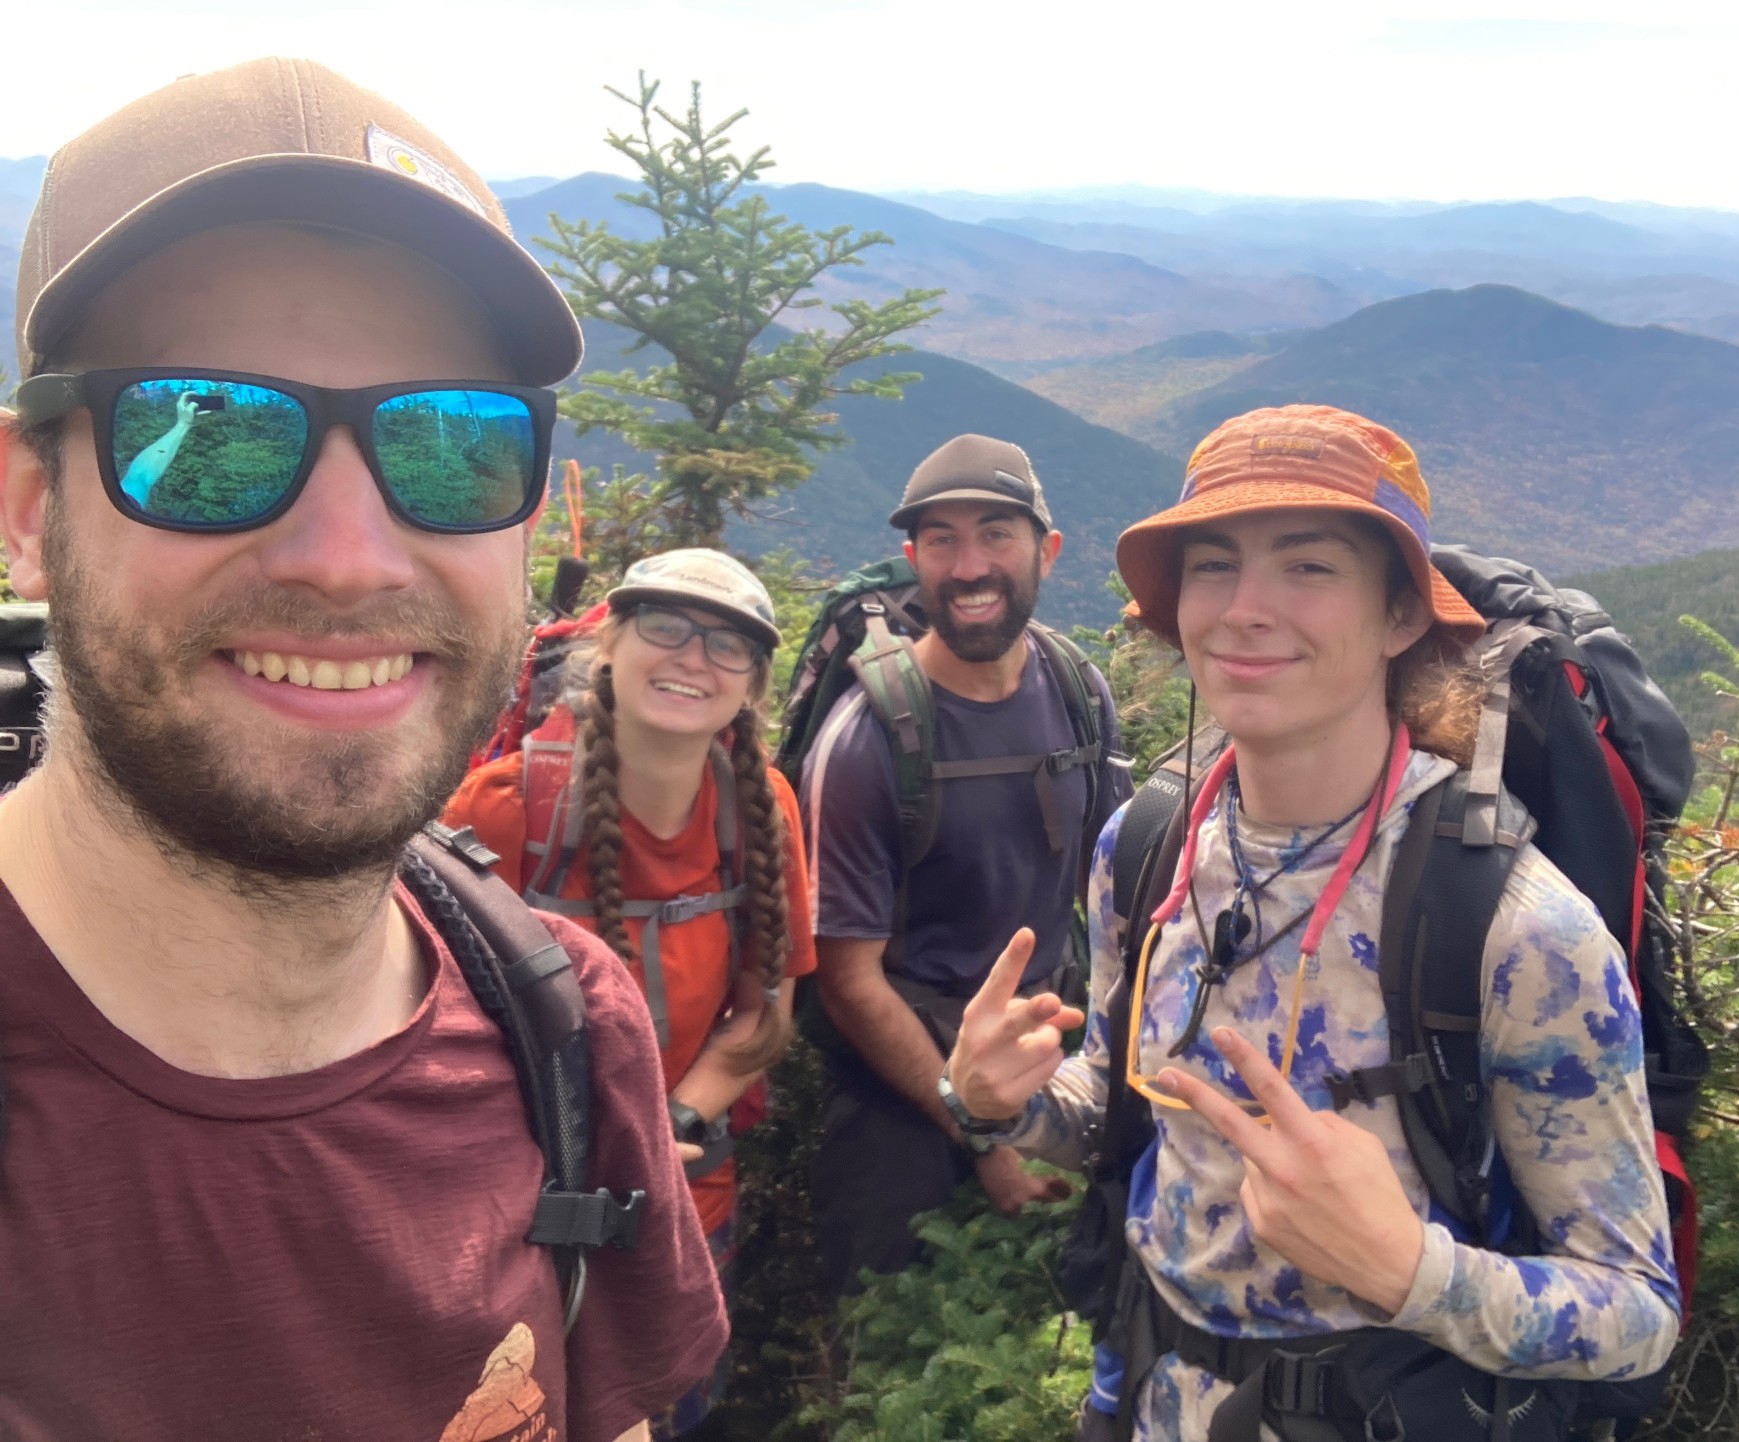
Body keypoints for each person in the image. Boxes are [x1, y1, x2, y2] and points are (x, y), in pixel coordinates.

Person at [0, 58, 723, 1440]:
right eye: (206, 432)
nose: (347, 560)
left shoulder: (564, 1033)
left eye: (452, 443)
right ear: (32, 505)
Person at [945, 405, 1680, 1439]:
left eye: (1310, 567)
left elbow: (1638, 1312)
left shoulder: (1517, 933)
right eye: (1212, 565)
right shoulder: (1148, 848)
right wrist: (996, 1102)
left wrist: (1410, 1269)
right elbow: (1127, 1113)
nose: (1246, 609)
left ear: (1400, 616)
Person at [445, 548, 816, 1436]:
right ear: (609, 640)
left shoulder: (761, 811)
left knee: (663, 1411)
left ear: (754, 684)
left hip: (687, 1198)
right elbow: (425, 1030)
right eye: (666, 626)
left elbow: (763, 1023)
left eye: (728, 645)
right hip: (515, 1207)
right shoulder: (505, 808)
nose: (694, 658)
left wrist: (666, 1129)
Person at [799, 433, 1134, 1294]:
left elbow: (1108, 892)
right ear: (913, 560)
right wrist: (982, 1131)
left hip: (1045, 1056)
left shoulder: (1077, 692)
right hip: (901, 1093)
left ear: (1047, 553)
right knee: (884, 1347)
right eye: (940, 540)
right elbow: (850, 981)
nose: (968, 563)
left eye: (996, 533)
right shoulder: (867, 743)